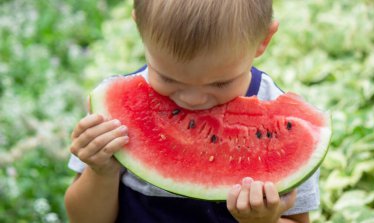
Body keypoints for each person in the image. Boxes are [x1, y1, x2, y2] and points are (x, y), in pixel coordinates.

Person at [64, 0, 320, 222]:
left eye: (220, 83)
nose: (192, 99)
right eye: (168, 79)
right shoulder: (116, 115)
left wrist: (264, 221)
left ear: (263, 41)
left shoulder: (288, 127)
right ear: (139, 29)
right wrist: (101, 172)